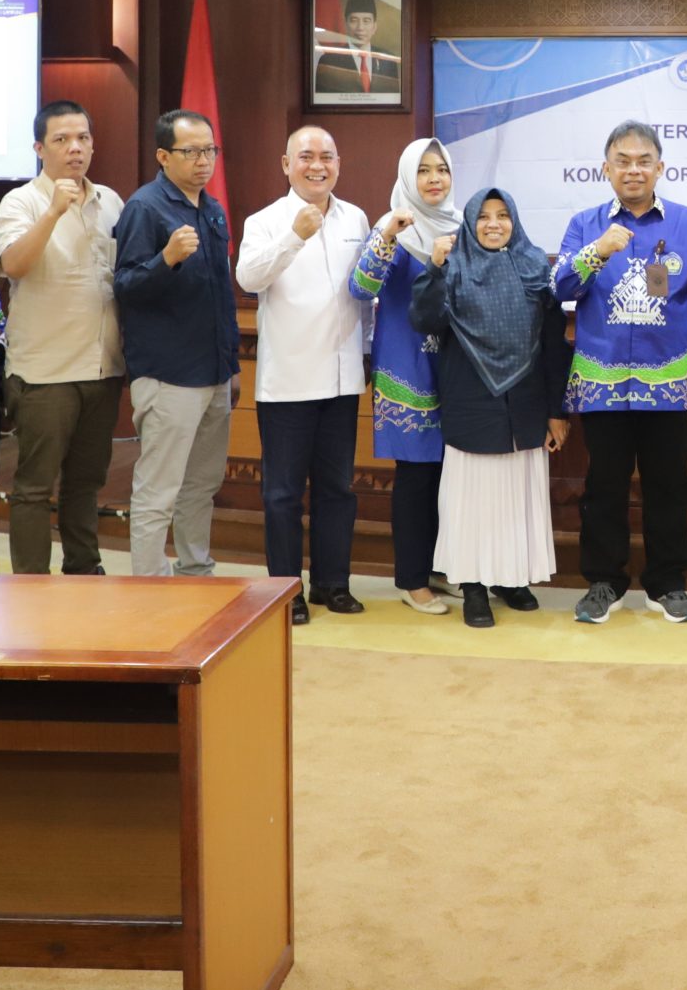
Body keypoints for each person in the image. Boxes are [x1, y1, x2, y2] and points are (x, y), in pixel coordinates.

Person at [556, 120, 687, 625]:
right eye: (623, 161)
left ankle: (667, 583)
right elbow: (559, 287)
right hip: (603, 381)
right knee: (603, 487)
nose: (633, 170)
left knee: (669, 486)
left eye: (643, 161)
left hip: (670, 383)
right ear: (605, 169)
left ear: (660, 167)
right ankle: (603, 583)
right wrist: (598, 251)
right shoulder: (585, 224)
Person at [413, 189, 572, 628]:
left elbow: (554, 345)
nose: (494, 224)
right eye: (483, 217)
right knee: (473, 502)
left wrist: (556, 411)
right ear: (469, 223)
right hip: (471, 402)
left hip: (525, 405)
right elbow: (425, 320)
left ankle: (509, 579)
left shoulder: (536, 267)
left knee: (516, 500)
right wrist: (435, 269)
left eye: (503, 215)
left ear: (515, 222)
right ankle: (474, 588)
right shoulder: (454, 267)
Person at [239, 126, 372, 622]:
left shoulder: (356, 217)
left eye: (327, 157)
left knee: (339, 489)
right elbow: (248, 278)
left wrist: (369, 352)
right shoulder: (265, 221)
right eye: (306, 157)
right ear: (286, 164)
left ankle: (333, 584)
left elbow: (364, 290)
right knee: (282, 495)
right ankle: (286, 591)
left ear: (339, 163)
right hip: (288, 382)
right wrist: (294, 236)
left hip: (342, 379)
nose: (318, 166)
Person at [0, 100, 125, 577]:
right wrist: (52, 212)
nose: (75, 148)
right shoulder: (22, 201)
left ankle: (84, 572)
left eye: (83, 138)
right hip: (44, 372)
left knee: (86, 482)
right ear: (39, 148)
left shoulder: (110, 201)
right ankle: (31, 587)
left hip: (102, 367)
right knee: (33, 487)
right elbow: (13, 266)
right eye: (62, 140)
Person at [113, 109, 239, 577]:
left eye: (210, 150)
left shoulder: (212, 208)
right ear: (164, 156)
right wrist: (165, 259)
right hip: (169, 373)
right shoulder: (144, 208)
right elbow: (124, 287)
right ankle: (149, 587)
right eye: (192, 152)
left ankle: (195, 572)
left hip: (214, 372)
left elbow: (222, 295)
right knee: (158, 489)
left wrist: (232, 367)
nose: (204, 161)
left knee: (202, 484)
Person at [351, 138, 458, 612]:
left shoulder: (462, 225)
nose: (435, 179)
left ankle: (437, 568)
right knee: (415, 476)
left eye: (442, 169)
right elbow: (361, 287)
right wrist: (388, 236)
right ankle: (411, 579)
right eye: (424, 170)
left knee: (448, 477)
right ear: (407, 178)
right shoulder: (394, 226)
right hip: (406, 368)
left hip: (453, 370)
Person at [315, 0, 399, 98]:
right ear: (345, 25)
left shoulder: (388, 60)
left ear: (374, 27)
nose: (360, 28)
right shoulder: (329, 61)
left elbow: (392, 99)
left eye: (366, 21)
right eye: (354, 20)